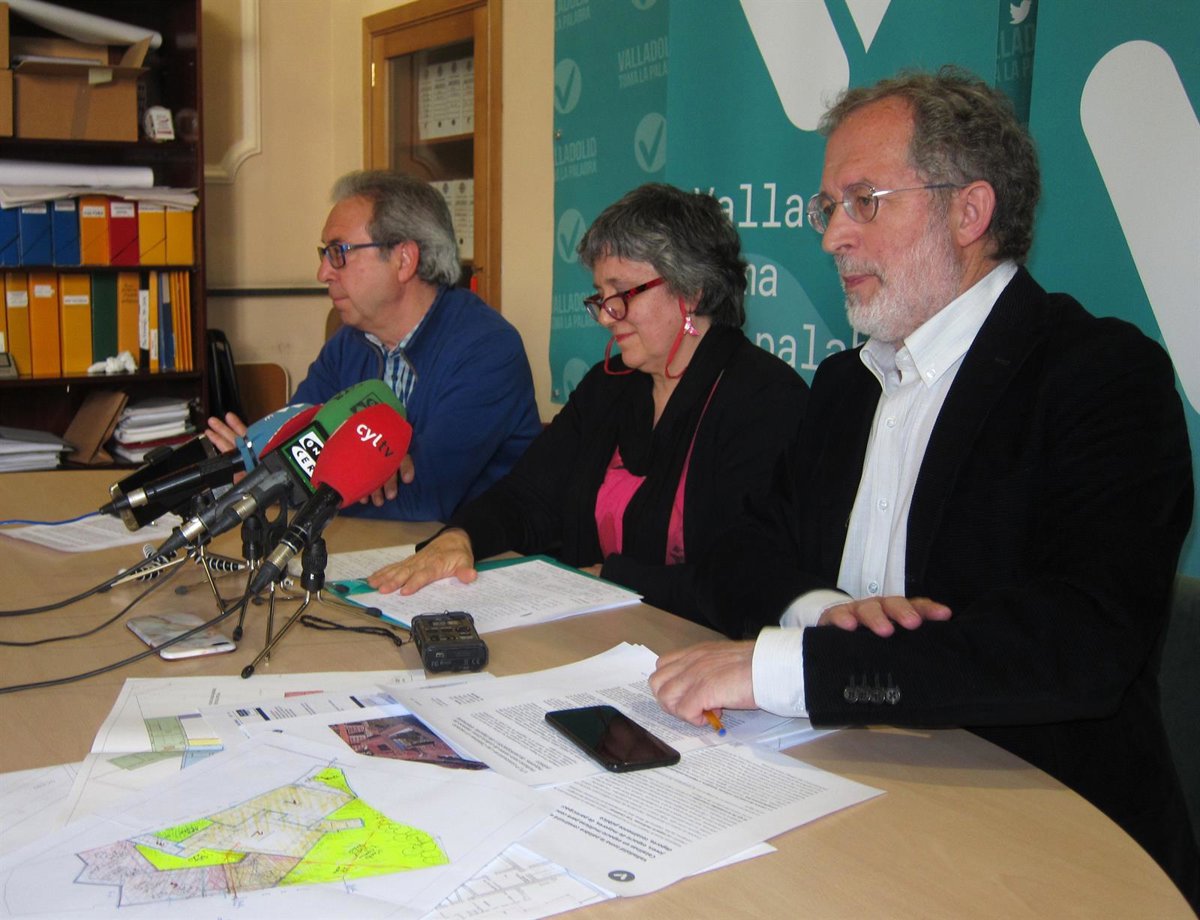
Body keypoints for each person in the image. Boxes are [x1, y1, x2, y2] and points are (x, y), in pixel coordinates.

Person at [649, 67, 1199, 908]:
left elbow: (1075, 647)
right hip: (838, 791)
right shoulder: (845, 386)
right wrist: (822, 614)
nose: (833, 237)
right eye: (827, 207)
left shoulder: (1100, 376)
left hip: (1045, 828)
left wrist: (797, 667)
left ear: (969, 212)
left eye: (863, 202)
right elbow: (740, 551)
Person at [367, 183, 808, 623]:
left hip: (700, 646)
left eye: (623, 293)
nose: (605, 316)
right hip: (593, 628)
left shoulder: (764, 399)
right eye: (601, 296)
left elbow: (746, 580)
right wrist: (461, 537)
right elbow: (528, 496)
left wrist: (610, 579)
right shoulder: (609, 385)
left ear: (690, 291)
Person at [205, 170, 542, 521]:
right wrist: (262, 474)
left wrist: (278, 486)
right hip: (369, 545)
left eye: (339, 252)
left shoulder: (486, 349)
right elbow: (290, 458)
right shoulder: (348, 344)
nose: (323, 273)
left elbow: (422, 500)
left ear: (404, 260)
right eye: (325, 253)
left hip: (474, 550)